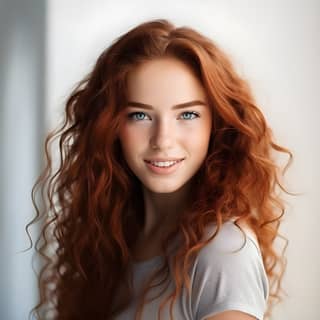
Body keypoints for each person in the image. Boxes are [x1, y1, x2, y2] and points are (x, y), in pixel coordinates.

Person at [26, 19, 294, 320]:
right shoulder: (112, 238)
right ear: (110, 126)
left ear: (217, 125)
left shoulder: (222, 250)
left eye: (187, 114)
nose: (162, 141)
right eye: (140, 115)